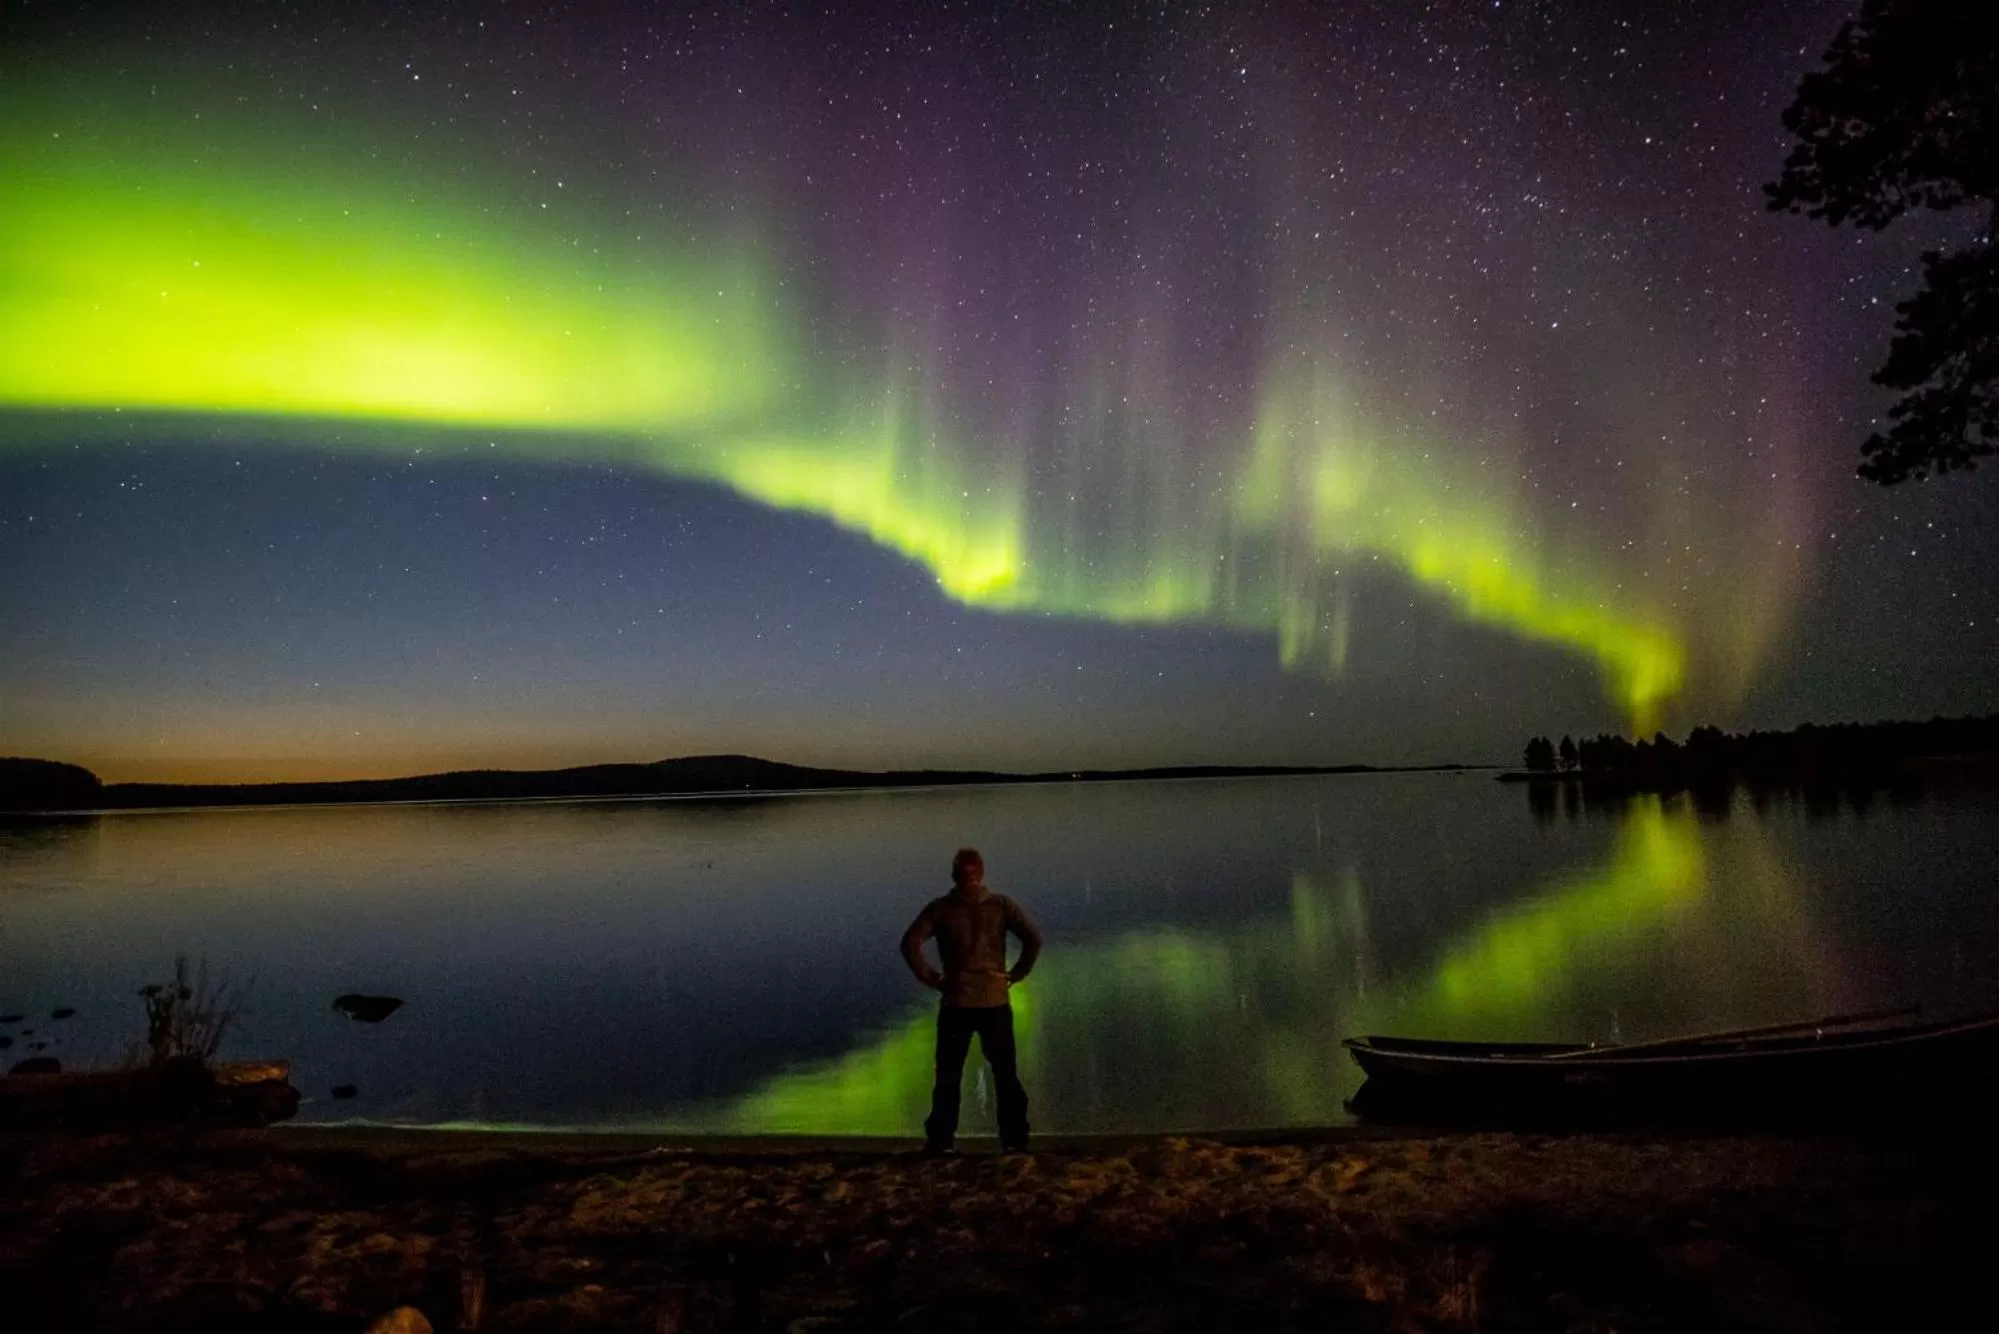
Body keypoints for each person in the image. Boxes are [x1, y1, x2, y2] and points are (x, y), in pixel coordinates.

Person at [900, 847, 1043, 1153]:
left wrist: (932, 978)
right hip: (994, 1001)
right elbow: (1033, 940)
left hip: (957, 1002)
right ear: (981, 873)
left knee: (949, 1075)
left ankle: (941, 1141)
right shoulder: (1001, 905)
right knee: (1005, 1074)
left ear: (954, 875)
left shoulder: (940, 909)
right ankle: (1015, 1140)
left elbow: (910, 944)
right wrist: (1017, 973)